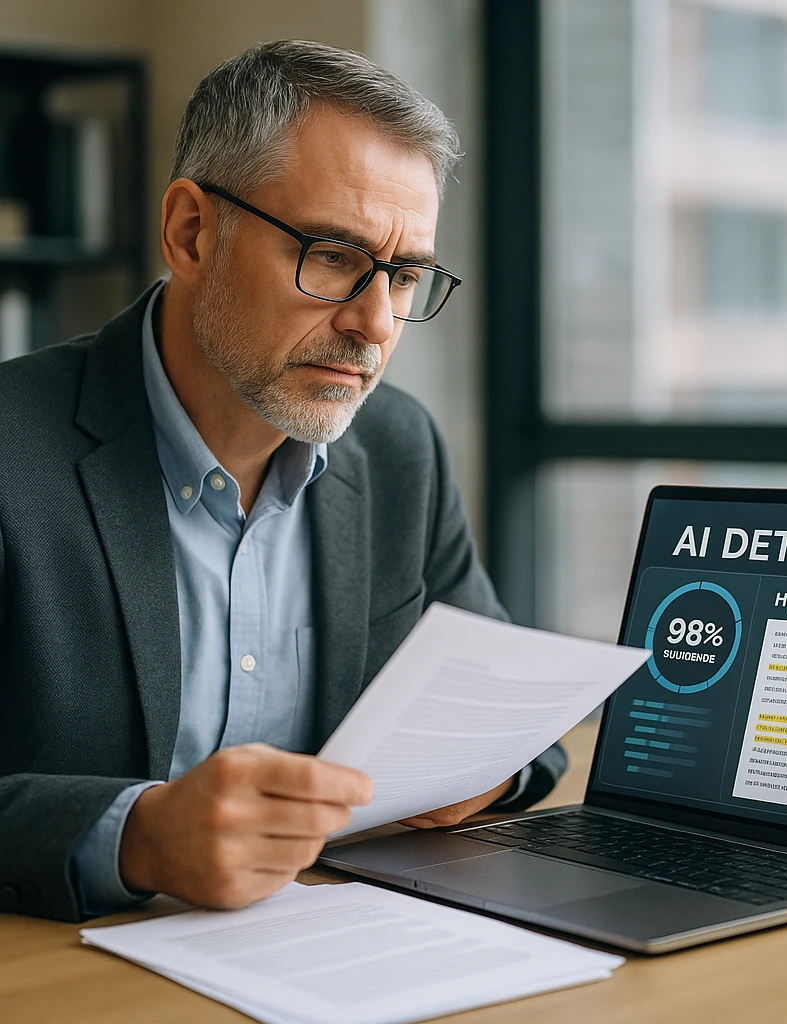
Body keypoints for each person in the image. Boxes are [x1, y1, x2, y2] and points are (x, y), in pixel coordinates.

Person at [0, 40, 565, 923]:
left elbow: (515, 713)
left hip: (335, 947)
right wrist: (136, 836)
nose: (375, 325)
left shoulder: (400, 447)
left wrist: (484, 771)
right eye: (333, 255)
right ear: (191, 233)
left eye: (404, 275)